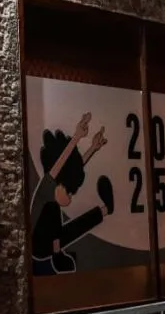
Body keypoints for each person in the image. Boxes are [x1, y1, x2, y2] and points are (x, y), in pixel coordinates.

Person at [29, 112, 115, 275]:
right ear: (58, 184)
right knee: (52, 211)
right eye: (68, 192)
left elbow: (72, 169)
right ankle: (57, 255)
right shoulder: (45, 191)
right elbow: (60, 166)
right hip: (40, 250)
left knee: (74, 227)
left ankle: (105, 209)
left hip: (48, 244)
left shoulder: (55, 187)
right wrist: (76, 137)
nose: (70, 196)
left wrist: (93, 148)